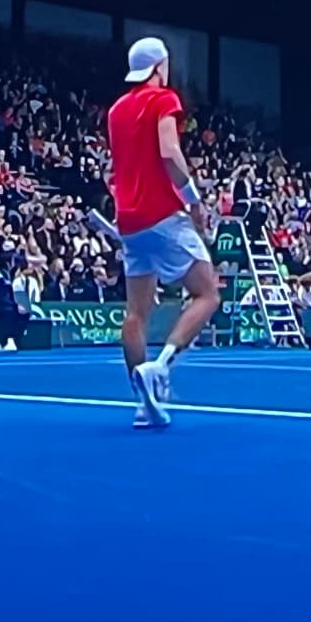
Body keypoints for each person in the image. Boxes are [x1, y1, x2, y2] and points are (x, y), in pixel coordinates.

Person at [106, 36, 221, 429]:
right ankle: (161, 366)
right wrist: (194, 201)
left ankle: (143, 402)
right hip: (163, 214)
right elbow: (169, 152)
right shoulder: (163, 99)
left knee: (136, 312)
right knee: (207, 293)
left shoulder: (117, 110)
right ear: (160, 66)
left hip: (129, 221)